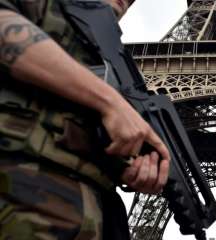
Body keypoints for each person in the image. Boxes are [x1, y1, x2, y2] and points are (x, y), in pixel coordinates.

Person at [0, 0, 170, 239]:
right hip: (24, 190)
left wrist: (130, 167)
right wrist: (109, 102)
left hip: (96, 215)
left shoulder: (115, 60)